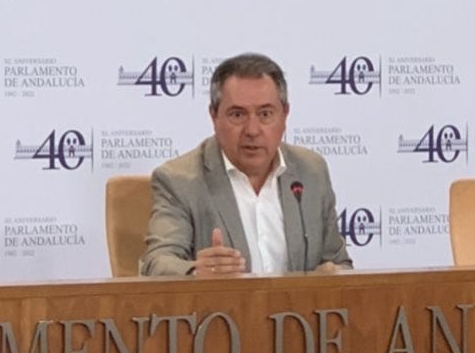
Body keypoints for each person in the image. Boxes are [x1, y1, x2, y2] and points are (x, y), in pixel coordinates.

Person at [140, 53, 352, 277]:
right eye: (238, 114)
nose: (252, 129)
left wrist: (333, 274)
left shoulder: (311, 171)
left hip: (298, 312)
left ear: (285, 115)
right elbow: (156, 264)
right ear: (214, 116)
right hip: (221, 311)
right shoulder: (180, 180)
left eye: (265, 114)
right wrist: (195, 272)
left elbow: (339, 263)